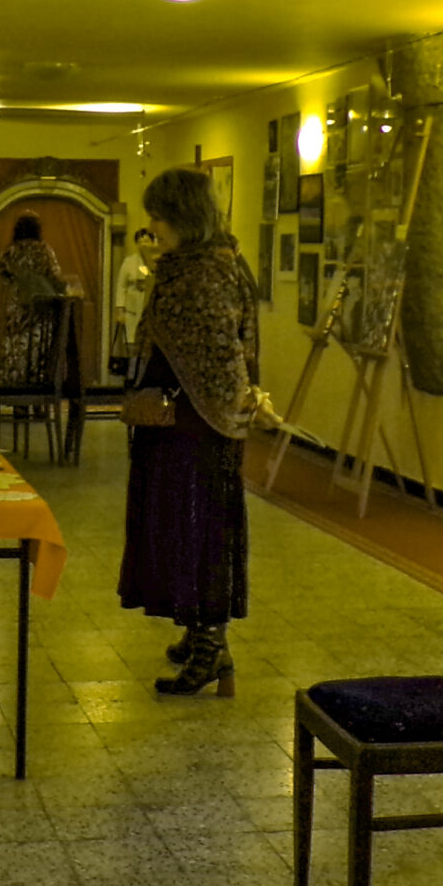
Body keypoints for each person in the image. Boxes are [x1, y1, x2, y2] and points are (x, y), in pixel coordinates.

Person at [119, 166, 264, 697]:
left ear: (184, 217)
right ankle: (199, 631)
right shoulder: (188, 267)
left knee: (200, 531)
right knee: (181, 528)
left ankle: (211, 646)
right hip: (176, 423)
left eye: (159, 217)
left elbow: (220, 355)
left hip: (196, 429)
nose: (152, 227)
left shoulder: (205, 273)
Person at [0, 214, 70, 387]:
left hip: (17, 304)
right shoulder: (44, 250)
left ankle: (14, 381)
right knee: (37, 344)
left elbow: (4, 275)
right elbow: (55, 275)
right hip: (41, 306)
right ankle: (37, 383)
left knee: (15, 344)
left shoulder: (10, 251)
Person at [113, 224, 156, 365]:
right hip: (132, 310)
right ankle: (131, 371)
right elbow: (121, 286)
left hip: (149, 308)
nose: (143, 244)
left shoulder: (156, 260)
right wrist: (120, 309)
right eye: (140, 241)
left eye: (146, 240)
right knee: (131, 343)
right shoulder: (130, 262)